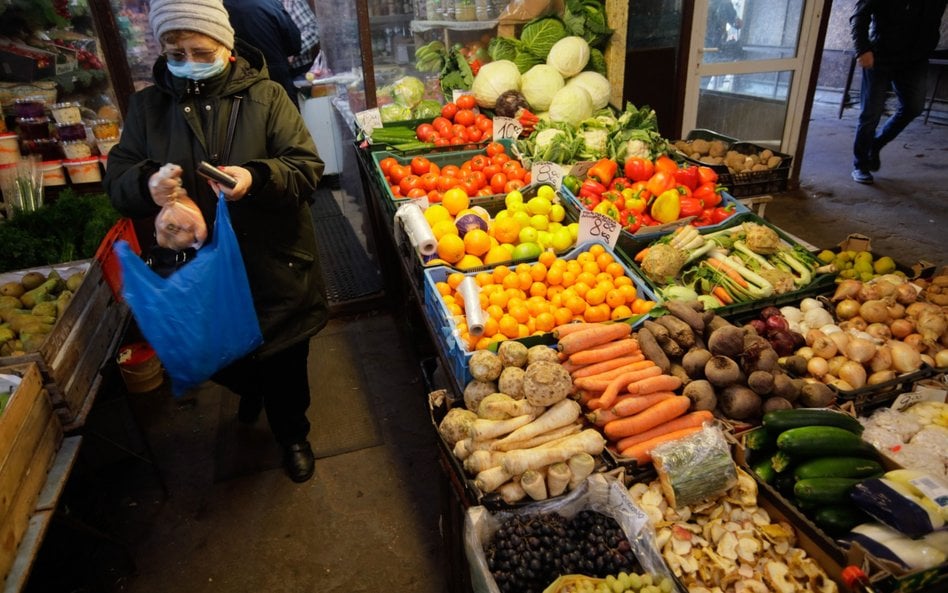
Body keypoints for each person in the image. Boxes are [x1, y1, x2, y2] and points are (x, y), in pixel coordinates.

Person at [103, 0, 328, 483]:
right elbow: (119, 177)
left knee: (286, 357)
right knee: (222, 351)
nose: (187, 59)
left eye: (200, 50)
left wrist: (255, 178)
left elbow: (306, 169)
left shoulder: (267, 97)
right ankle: (253, 389)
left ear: (226, 48)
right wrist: (150, 186)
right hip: (198, 265)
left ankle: (293, 435)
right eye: (175, 50)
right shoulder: (148, 108)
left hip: (273, 257)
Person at [849, 0, 947, 184]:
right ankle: (860, 164)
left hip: (914, 60)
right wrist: (862, 49)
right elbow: (859, 15)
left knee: (914, 107)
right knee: (871, 113)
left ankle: (876, 144)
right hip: (880, 55)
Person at [223, 0, 302, 103]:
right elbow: (295, 44)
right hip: (277, 78)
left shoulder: (220, 9)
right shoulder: (269, 4)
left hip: (240, 81)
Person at [282, 0, 321, 78]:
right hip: (275, 73)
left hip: (299, 71)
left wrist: (292, 51)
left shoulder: (292, 2)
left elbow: (314, 29)